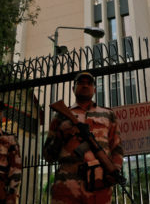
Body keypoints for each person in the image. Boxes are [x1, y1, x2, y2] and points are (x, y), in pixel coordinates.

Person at [43, 72, 123, 204]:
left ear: (95, 90)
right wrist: (60, 135)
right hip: (66, 186)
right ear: (73, 88)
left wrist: (114, 170)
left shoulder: (108, 114)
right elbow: (48, 156)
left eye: (89, 83)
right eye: (81, 83)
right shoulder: (60, 116)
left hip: (99, 185)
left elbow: (117, 148)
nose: (85, 85)